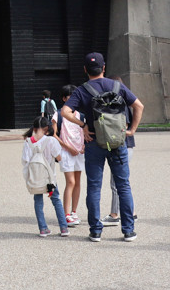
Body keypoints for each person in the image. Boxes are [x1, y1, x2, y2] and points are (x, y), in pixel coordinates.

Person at [60, 52, 142, 242]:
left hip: (94, 142)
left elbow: (65, 111)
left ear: (85, 70)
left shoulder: (82, 90)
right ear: (104, 68)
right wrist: (131, 130)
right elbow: (139, 106)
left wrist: (83, 125)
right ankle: (128, 230)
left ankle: (95, 231)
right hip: (117, 142)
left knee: (94, 187)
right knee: (123, 186)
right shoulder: (117, 86)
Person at [21, 116, 68, 237]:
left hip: (35, 178)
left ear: (34, 128)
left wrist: (27, 178)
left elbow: (25, 161)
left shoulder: (28, 142)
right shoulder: (51, 141)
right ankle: (63, 228)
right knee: (56, 200)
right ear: (47, 129)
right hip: (50, 178)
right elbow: (59, 157)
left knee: (38, 201)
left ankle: (43, 229)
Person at [103, 76, 135, 225]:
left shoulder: (120, 105)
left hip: (123, 146)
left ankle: (115, 214)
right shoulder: (124, 104)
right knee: (123, 182)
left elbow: (123, 125)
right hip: (127, 145)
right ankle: (131, 212)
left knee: (116, 183)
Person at [55, 84, 84, 226]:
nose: (71, 99)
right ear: (64, 98)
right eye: (69, 96)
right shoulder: (58, 114)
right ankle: (66, 214)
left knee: (78, 182)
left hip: (79, 152)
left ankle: (74, 212)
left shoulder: (80, 115)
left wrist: (83, 146)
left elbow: (83, 132)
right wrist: (68, 147)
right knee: (71, 182)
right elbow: (53, 134)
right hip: (66, 151)